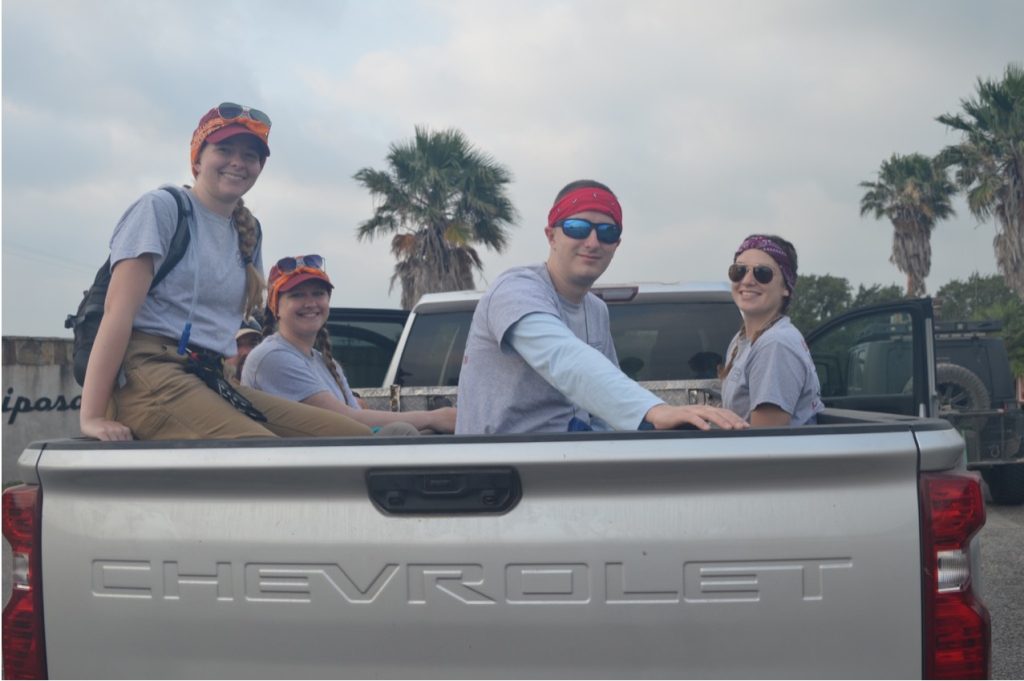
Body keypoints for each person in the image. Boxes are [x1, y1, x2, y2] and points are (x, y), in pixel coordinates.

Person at [79, 103, 372, 441]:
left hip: (209, 374)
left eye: (250, 155)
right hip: (148, 372)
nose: (238, 162)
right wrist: (93, 417)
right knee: (265, 453)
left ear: (260, 167)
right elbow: (118, 313)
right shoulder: (163, 209)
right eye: (224, 149)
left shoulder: (249, 231)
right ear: (198, 158)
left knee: (353, 437)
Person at [455, 179, 748, 434]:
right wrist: (655, 410)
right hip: (501, 481)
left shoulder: (595, 309)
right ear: (551, 235)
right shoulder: (516, 289)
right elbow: (564, 359)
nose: (593, 242)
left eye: (606, 232)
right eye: (577, 227)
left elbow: (600, 406)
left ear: (616, 244)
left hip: (574, 464)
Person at [242, 256, 457, 434]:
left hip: (335, 465)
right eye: (297, 295)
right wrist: (433, 417)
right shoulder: (272, 357)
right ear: (275, 307)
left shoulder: (324, 362)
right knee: (402, 432)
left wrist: (434, 421)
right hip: (297, 476)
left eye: (318, 293)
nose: (310, 303)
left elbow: (361, 421)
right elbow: (349, 421)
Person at [719, 234, 824, 426]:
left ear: (786, 287)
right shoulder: (741, 340)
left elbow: (765, 443)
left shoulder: (776, 344)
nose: (748, 280)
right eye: (739, 271)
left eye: (763, 273)